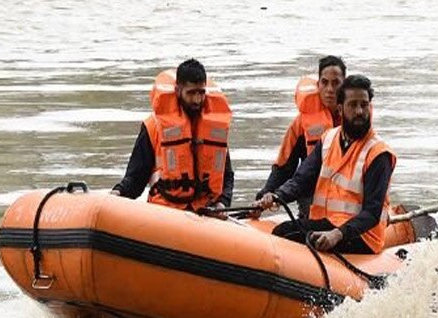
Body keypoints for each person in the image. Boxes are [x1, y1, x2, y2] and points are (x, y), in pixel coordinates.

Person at [255, 74, 395, 254]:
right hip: (328, 223)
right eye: (353, 105)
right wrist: (276, 196)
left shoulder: (378, 154)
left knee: (285, 234)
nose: (359, 111)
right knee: (284, 231)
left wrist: (337, 234)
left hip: (361, 235)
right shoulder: (328, 139)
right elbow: (302, 180)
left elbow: (372, 213)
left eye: (364, 105)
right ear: (340, 109)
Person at [111, 59, 234, 214]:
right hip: (164, 212)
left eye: (201, 93)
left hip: (205, 212)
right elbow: (135, 178)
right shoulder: (153, 126)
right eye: (191, 93)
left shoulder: (214, 128)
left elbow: (226, 176)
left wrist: (222, 203)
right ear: (178, 90)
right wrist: (117, 193)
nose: (197, 100)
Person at [255, 56, 346, 214]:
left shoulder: (355, 120)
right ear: (318, 85)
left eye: (336, 83)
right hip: (312, 198)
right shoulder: (301, 124)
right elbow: (284, 167)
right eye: (325, 83)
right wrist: (265, 196)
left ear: (344, 86)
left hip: (346, 198)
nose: (330, 89)